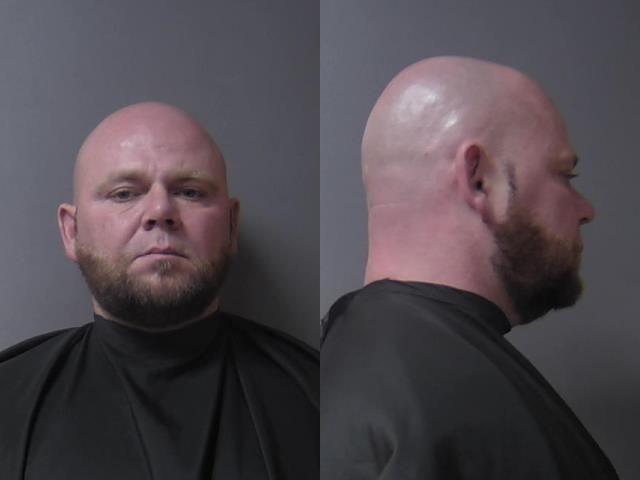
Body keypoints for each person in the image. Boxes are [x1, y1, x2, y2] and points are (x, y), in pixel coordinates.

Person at [321, 57, 618, 479]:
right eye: (565, 175)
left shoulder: (351, 365)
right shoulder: (449, 399)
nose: (586, 210)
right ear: (480, 179)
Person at [0, 102, 318, 480]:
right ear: (72, 231)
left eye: (190, 192)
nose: (160, 210)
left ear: (231, 226)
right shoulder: (8, 399)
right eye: (124, 194)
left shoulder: (317, 391)